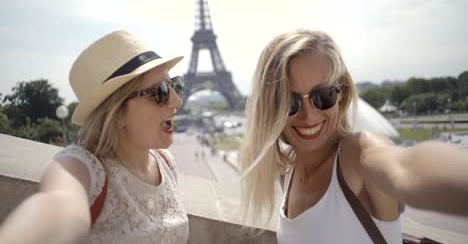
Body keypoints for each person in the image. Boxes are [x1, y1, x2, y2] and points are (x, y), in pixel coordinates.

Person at [239, 29, 468, 243]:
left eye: (324, 94)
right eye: (290, 102)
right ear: (270, 107)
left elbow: (408, 168)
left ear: (342, 93)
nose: (309, 116)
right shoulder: (287, 172)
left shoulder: (356, 156)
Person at [0, 30, 189, 244]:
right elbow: (58, 204)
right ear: (116, 113)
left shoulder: (165, 162)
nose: (177, 102)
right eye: (161, 92)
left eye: (175, 85)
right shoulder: (82, 167)